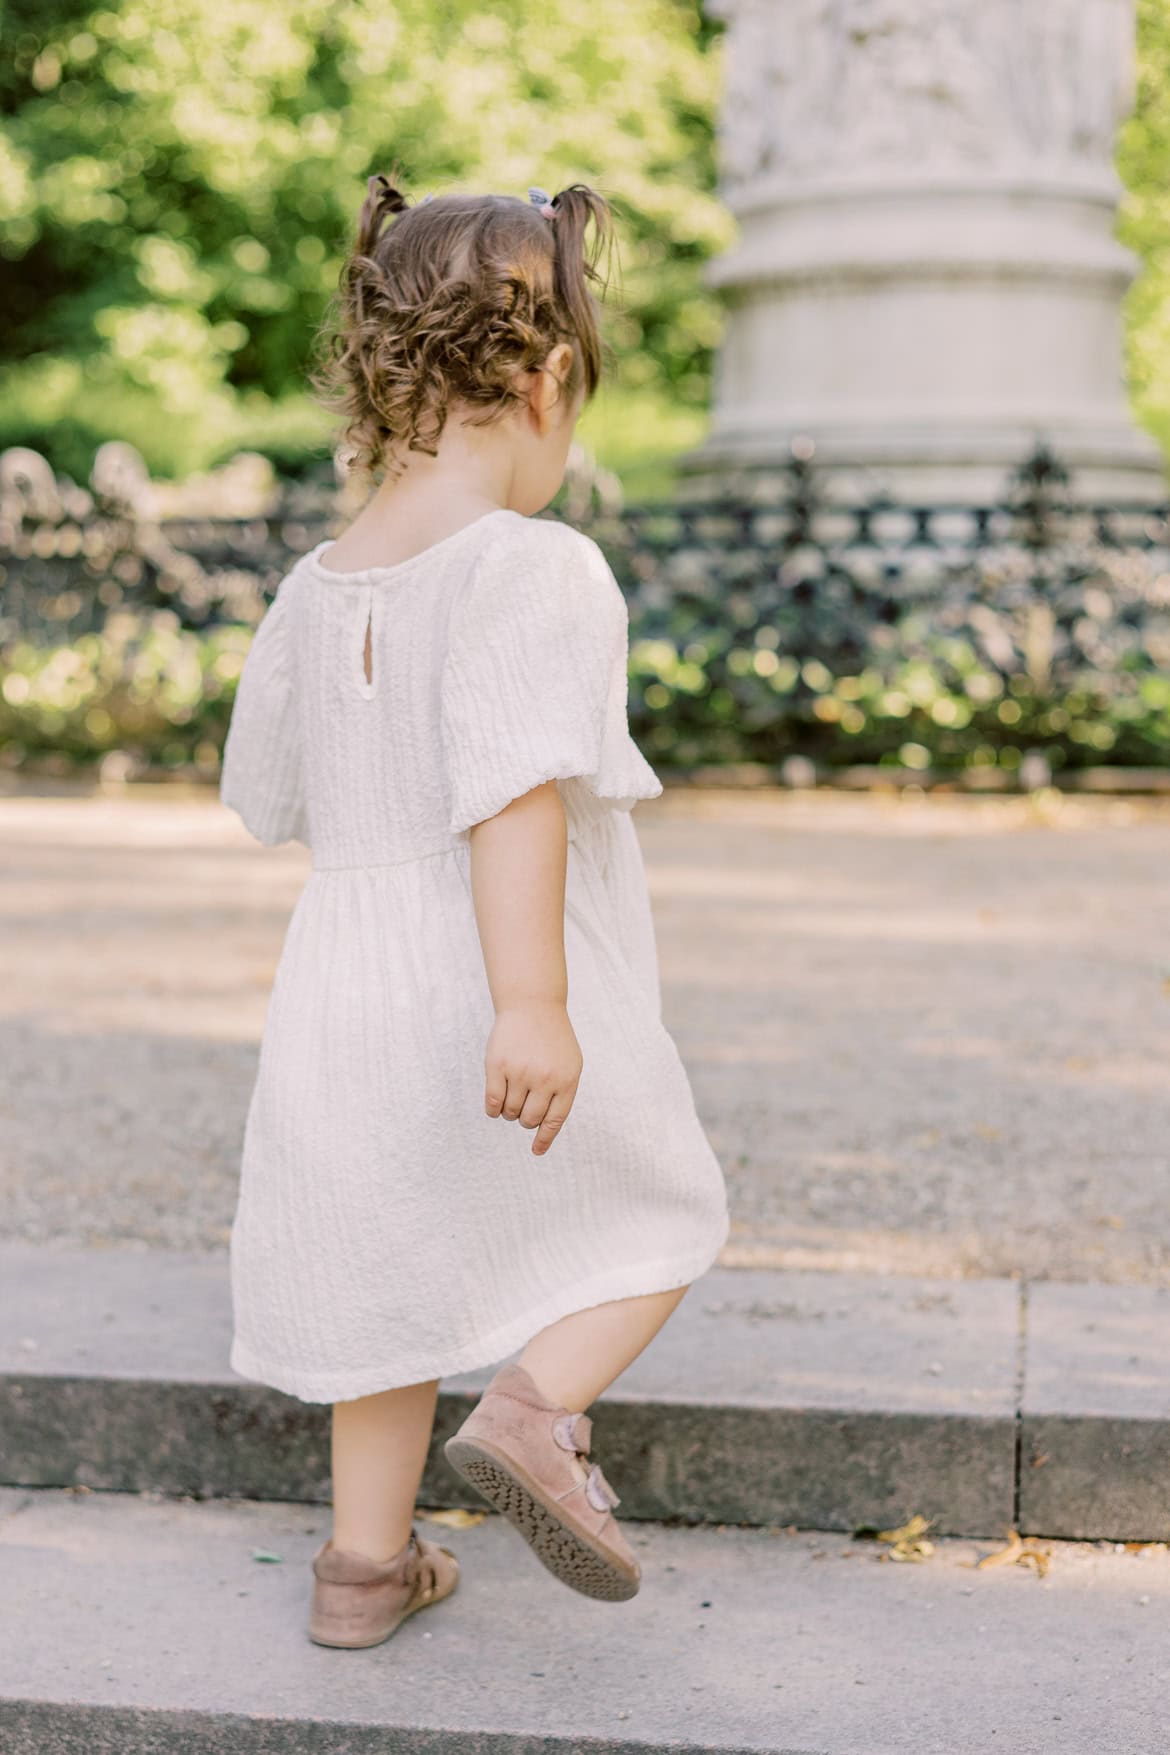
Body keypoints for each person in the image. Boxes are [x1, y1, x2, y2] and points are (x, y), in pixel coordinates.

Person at [219, 171, 731, 1649]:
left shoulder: (316, 584)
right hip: (493, 960)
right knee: (664, 1203)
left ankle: (362, 1569)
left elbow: (269, 793)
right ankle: (531, 1412)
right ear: (549, 373)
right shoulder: (532, 566)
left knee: (381, 1263)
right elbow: (512, 793)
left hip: (340, 977)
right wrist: (530, 1003)